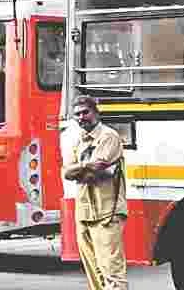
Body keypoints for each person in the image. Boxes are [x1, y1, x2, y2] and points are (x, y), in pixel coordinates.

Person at [62, 95, 128, 290]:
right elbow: (67, 172)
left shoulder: (109, 136)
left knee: (111, 271)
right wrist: (85, 167)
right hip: (84, 212)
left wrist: (79, 169)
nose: (81, 117)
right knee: (94, 272)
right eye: (77, 115)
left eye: (85, 112)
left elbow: (98, 166)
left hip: (107, 212)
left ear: (96, 113)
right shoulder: (76, 139)